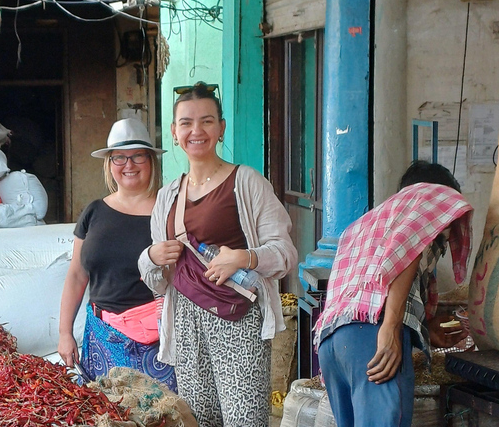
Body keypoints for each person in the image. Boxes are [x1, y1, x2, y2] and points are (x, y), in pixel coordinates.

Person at [138, 83, 297, 426]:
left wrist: (243, 258)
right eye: (186, 123)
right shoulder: (167, 197)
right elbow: (158, 282)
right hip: (186, 321)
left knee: (245, 419)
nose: (197, 131)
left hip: (238, 319)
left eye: (207, 121)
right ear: (174, 132)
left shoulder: (247, 181)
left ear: (221, 128)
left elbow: (285, 253)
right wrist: (151, 257)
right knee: (200, 420)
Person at [314, 160, 473, 427]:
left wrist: (423, 330)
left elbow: (380, 278)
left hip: (332, 345)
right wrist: (390, 327)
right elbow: (406, 251)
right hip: (370, 340)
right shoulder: (425, 202)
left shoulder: (363, 225)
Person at [58, 117, 177, 390]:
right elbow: (77, 275)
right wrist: (65, 333)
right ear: (109, 164)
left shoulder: (169, 211)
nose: (129, 165)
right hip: (102, 336)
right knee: (107, 415)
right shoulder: (94, 212)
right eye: (119, 158)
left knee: (162, 417)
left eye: (138, 156)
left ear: (151, 161)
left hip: (159, 342)